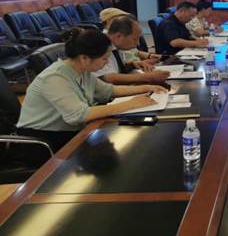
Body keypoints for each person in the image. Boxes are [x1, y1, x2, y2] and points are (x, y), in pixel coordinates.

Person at [17, 28, 166, 151]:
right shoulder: (54, 78)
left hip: (71, 131)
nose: (106, 63)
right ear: (84, 58)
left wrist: (147, 87)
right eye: (104, 59)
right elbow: (78, 115)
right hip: (44, 140)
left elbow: (109, 91)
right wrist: (130, 104)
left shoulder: (83, 71)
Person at [94, 16, 170, 85]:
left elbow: (117, 67)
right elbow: (108, 78)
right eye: (135, 39)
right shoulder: (100, 45)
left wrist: (133, 65)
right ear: (118, 36)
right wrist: (147, 77)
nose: (137, 43)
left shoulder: (117, 45)